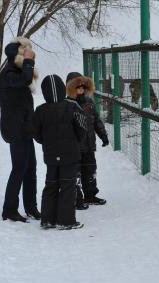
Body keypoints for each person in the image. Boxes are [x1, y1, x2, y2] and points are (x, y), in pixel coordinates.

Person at [33, 74, 87, 230]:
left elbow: (36, 133)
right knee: (67, 186)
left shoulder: (40, 110)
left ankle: (47, 219)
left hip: (50, 154)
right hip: (70, 154)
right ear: (63, 89)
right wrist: (76, 142)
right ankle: (66, 220)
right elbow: (82, 128)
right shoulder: (73, 107)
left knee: (50, 184)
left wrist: (46, 142)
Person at [0, 38, 40, 222]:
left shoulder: (16, 71)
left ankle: (31, 208)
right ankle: (9, 210)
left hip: (25, 129)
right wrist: (29, 61)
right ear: (17, 56)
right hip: (16, 130)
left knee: (30, 168)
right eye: (24, 54)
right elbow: (25, 79)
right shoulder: (8, 74)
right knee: (19, 168)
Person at [66, 72, 109, 209]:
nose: (81, 90)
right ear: (71, 88)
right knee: (76, 173)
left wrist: (103, 135)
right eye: (77, 87)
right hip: (75, 147)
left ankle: (90, 195)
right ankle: (78, 198)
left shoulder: (89, 102)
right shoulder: (67, 105)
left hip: (89, 144)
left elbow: (96, 120)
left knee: (90, 170)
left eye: (83, 87)